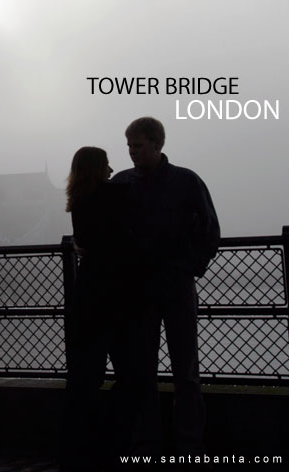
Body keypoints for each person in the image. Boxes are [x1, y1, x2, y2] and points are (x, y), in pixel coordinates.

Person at [112, 117, 220, 455]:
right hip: (167, 287)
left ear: (156, 144)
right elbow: (209, 231)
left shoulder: (123, 184)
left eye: (138, 146)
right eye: (130, 146)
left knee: (151, 370)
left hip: (148, 288)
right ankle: (188, 444)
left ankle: (150, 443)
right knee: (181, 370)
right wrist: (191, 267)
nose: (132, 152)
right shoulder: (185, 181)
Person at [60, 146, 133, 471]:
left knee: (84, 377)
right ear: (97, 168)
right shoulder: (117, 195)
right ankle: (112, 443)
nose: (112, 170)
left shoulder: (77, 201)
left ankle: (77, 448)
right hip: (116, 295)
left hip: (87, 295)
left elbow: (91, 243)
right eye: (106, 164)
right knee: (131, 375)